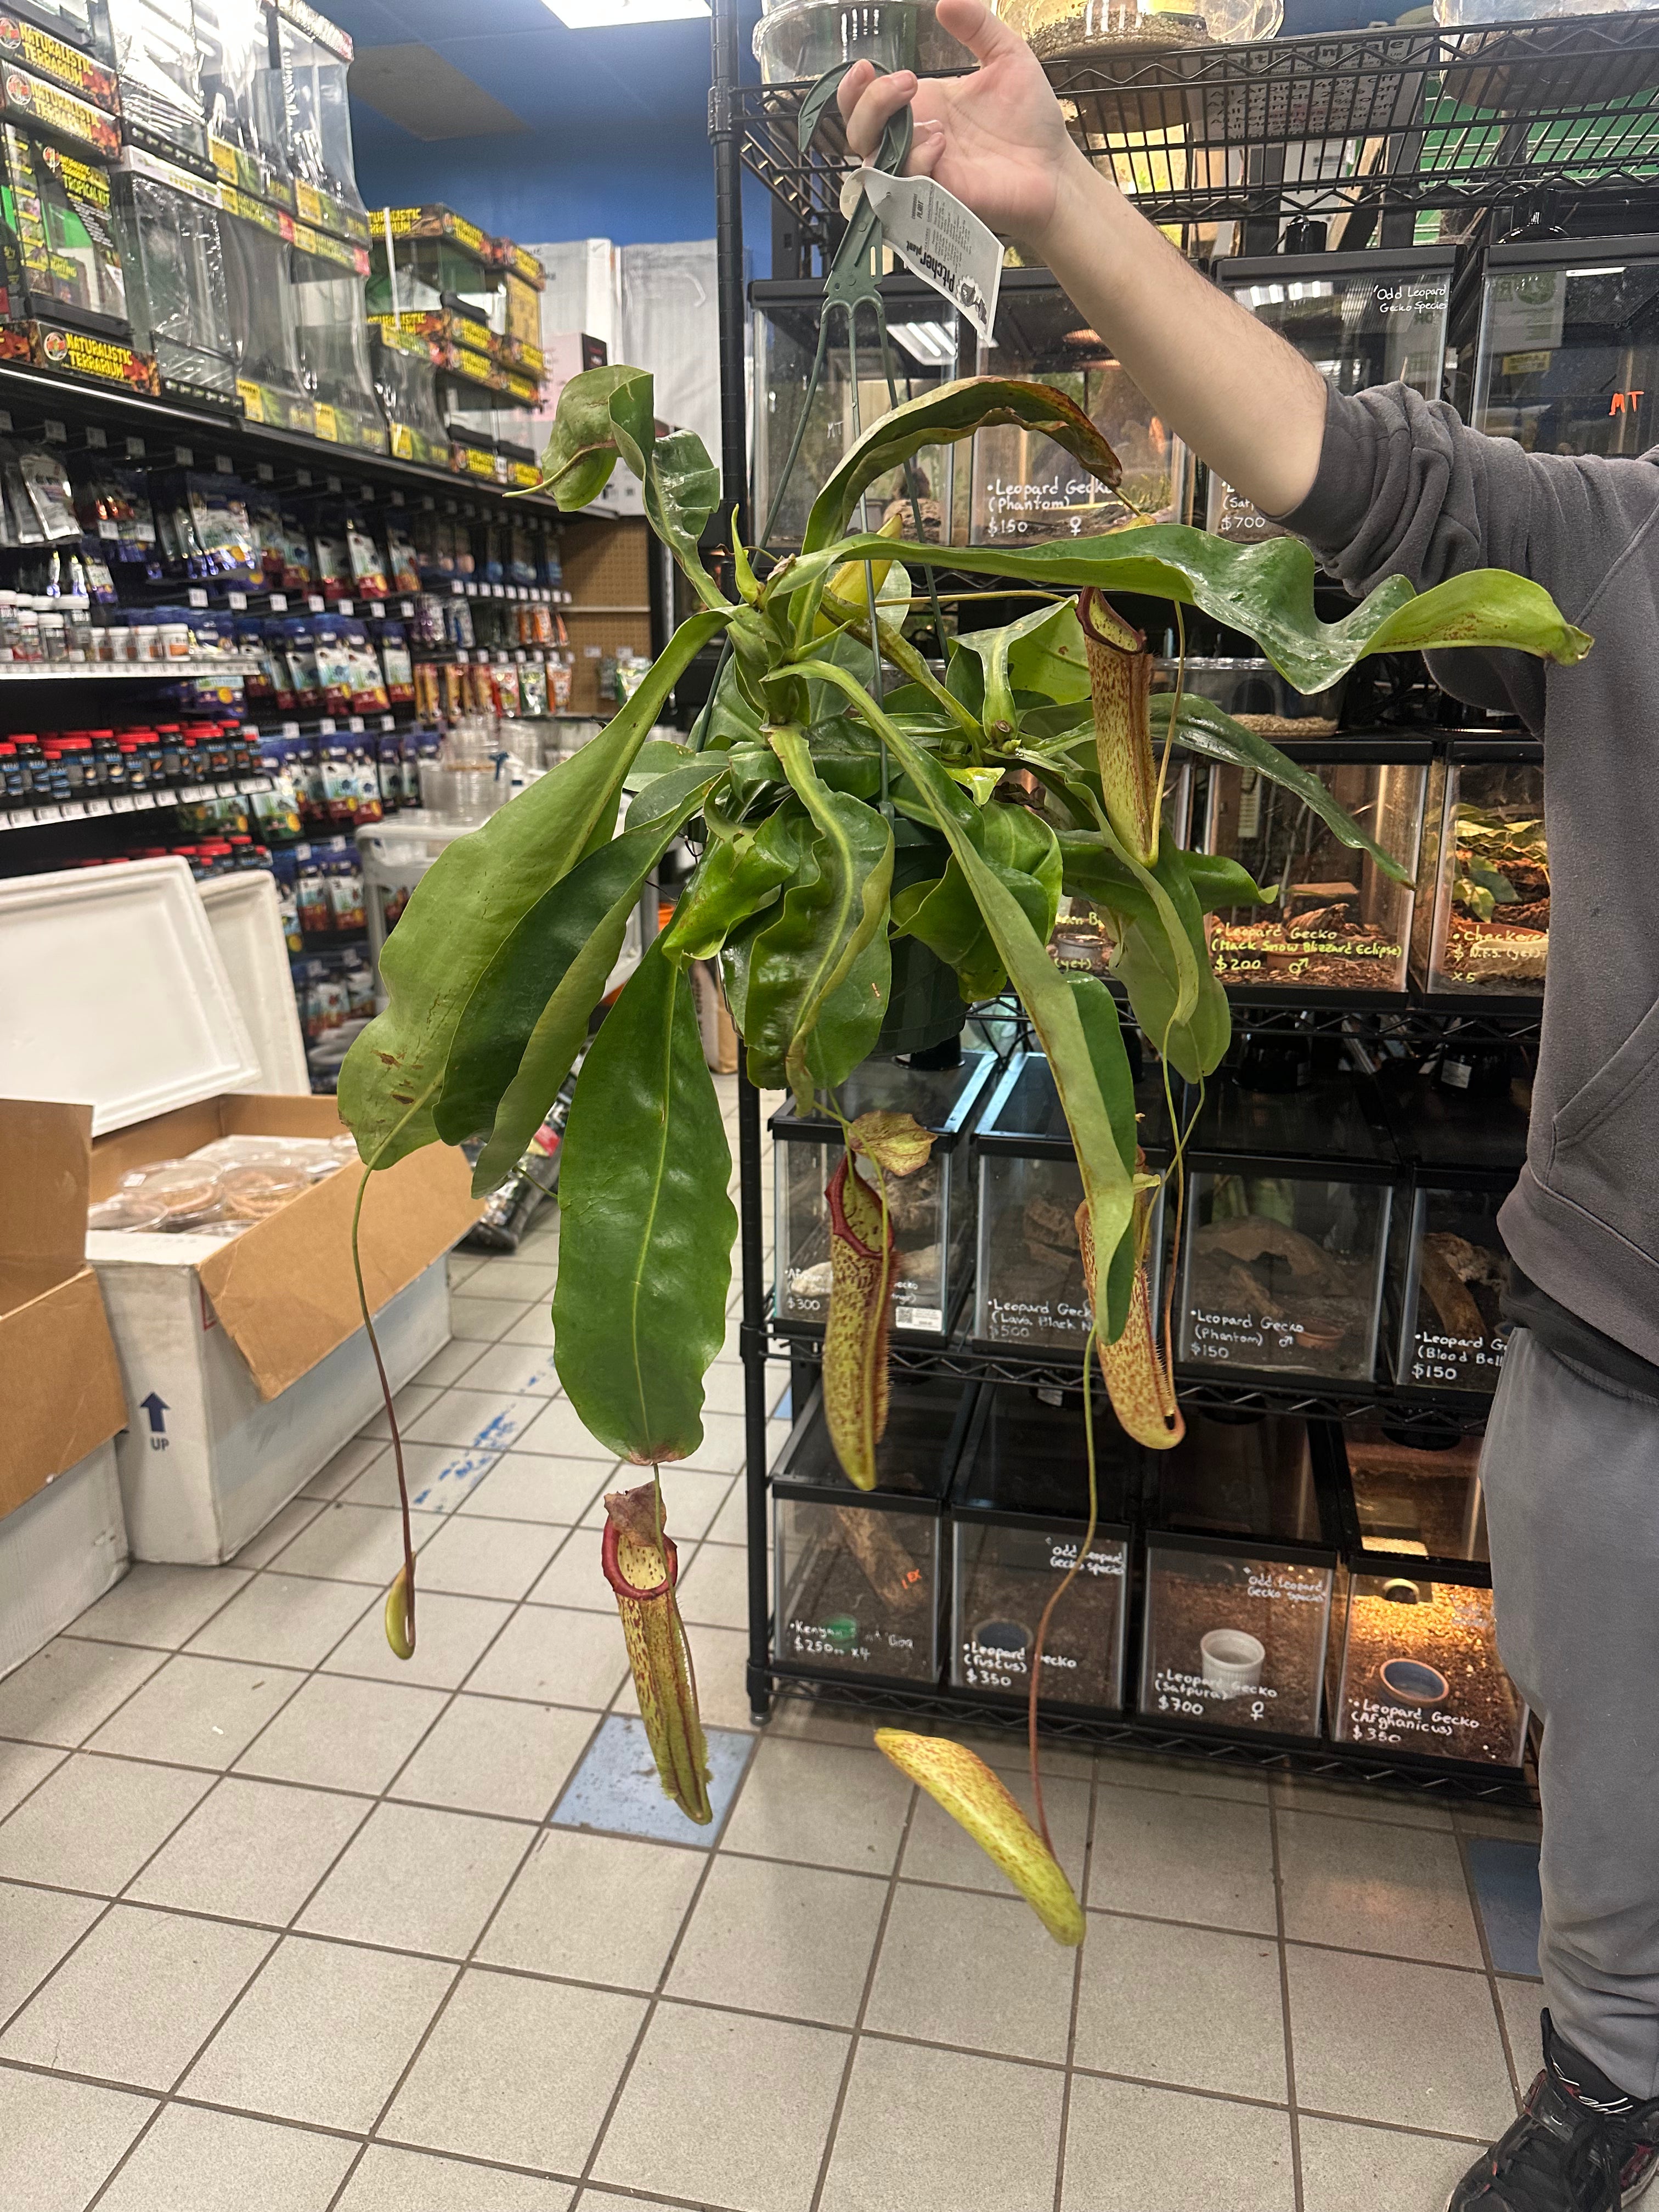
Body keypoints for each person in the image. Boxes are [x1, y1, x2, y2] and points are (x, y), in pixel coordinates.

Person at [839, 12, 1659, 2209]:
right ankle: (1606, 2083)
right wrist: (1065, 205)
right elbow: (1360, 480)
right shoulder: (1631, 554)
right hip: (1623, 1342)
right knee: (1616, 1768)